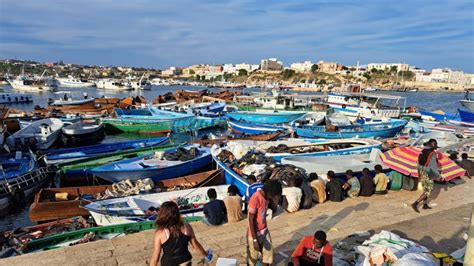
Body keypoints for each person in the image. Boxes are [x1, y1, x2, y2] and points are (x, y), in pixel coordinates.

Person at [149, 201, 209, 266]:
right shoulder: (187, 227)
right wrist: (205, 254)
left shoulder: (160, 233)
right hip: (185, 260)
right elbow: (196, 246)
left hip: (169, 263)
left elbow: (156, 257)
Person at [247, 179, 282, 266]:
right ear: (270, 193)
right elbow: (250, 220)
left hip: (264, 229)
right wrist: (255, 240)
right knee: (253, 258)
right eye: (274, 195)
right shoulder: (255, 198)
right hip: (254, 233)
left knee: (268, 254)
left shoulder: (267, 198)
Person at [411, 139, 441, 213]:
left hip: (422, 171)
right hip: (429, 173)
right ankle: (415, 203)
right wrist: (437, 175)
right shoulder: (432, 153)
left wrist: (419, 174)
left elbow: (418, 163)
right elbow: (433, 166)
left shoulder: (423, 151)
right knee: (428, 190)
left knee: (425, 189)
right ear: (433, 145)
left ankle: (425, 205)